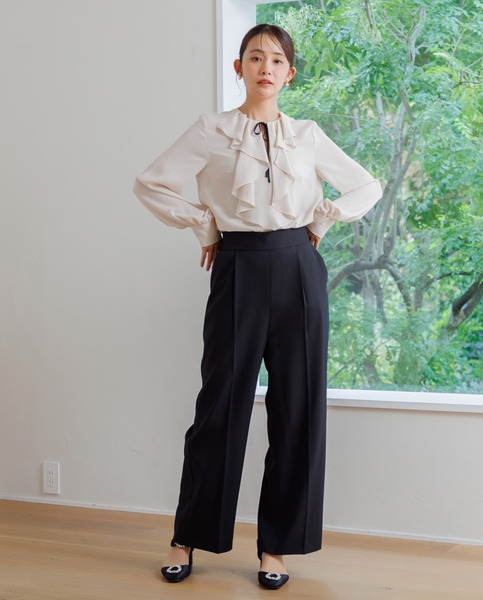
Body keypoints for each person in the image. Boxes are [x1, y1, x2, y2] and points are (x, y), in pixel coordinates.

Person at [133, 23, 382, 590]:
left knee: (298, 409)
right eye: (254, 57)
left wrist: (323, 220)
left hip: (299, 268)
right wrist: (204, 226)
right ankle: (187, 536)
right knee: (219, 406)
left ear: (289, 73)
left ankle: (277, 546)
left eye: (276, 60)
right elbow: (151, 183)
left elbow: (365, 187)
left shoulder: (308, 135)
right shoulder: (211, 130)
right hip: (238, 265)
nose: (265, 67)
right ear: (239, 67)